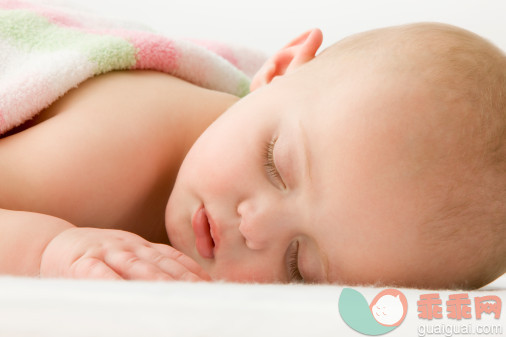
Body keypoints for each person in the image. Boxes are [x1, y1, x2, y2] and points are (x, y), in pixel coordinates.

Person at [0, 22, 504, 289]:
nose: (255, 226)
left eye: (298, 265)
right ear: (278, 70)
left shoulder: (295, 120)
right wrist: (47, 250)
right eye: (275, 166)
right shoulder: (115, 153)